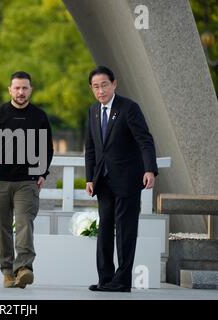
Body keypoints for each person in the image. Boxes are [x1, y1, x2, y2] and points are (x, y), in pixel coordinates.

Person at [84, 66, 158, 292]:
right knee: (104, 229)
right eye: (96, 87)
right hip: (102, 181)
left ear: (114, 84)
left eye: (104, 85)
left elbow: (144, 140)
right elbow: (91, 148)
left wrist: (149, 170)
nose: (100, 90)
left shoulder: (128, 108)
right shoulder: (93, 111)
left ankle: (122, 281)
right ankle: (105, 278)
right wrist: (89, 178)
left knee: (125, 231)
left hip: (127, 179)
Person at [0, 71, 54, 288]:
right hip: (0, 181)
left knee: (24, 223)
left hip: (27, 181)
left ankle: (24, 268)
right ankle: (7, 271)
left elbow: (47, 149)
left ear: (30, 89)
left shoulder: (39, 116)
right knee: (2, 226)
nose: (21, 92)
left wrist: (42, 172)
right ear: (10, 89)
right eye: (17, 88)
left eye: (25, 88)